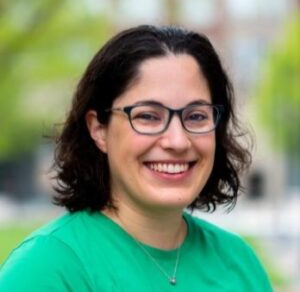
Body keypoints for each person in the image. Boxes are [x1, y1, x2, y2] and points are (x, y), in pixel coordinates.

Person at [0, 25, 273, 291]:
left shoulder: (240, 263)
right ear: (99, 129)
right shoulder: (46, 270)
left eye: (196, 116)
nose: (177, 141)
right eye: (148, 116)